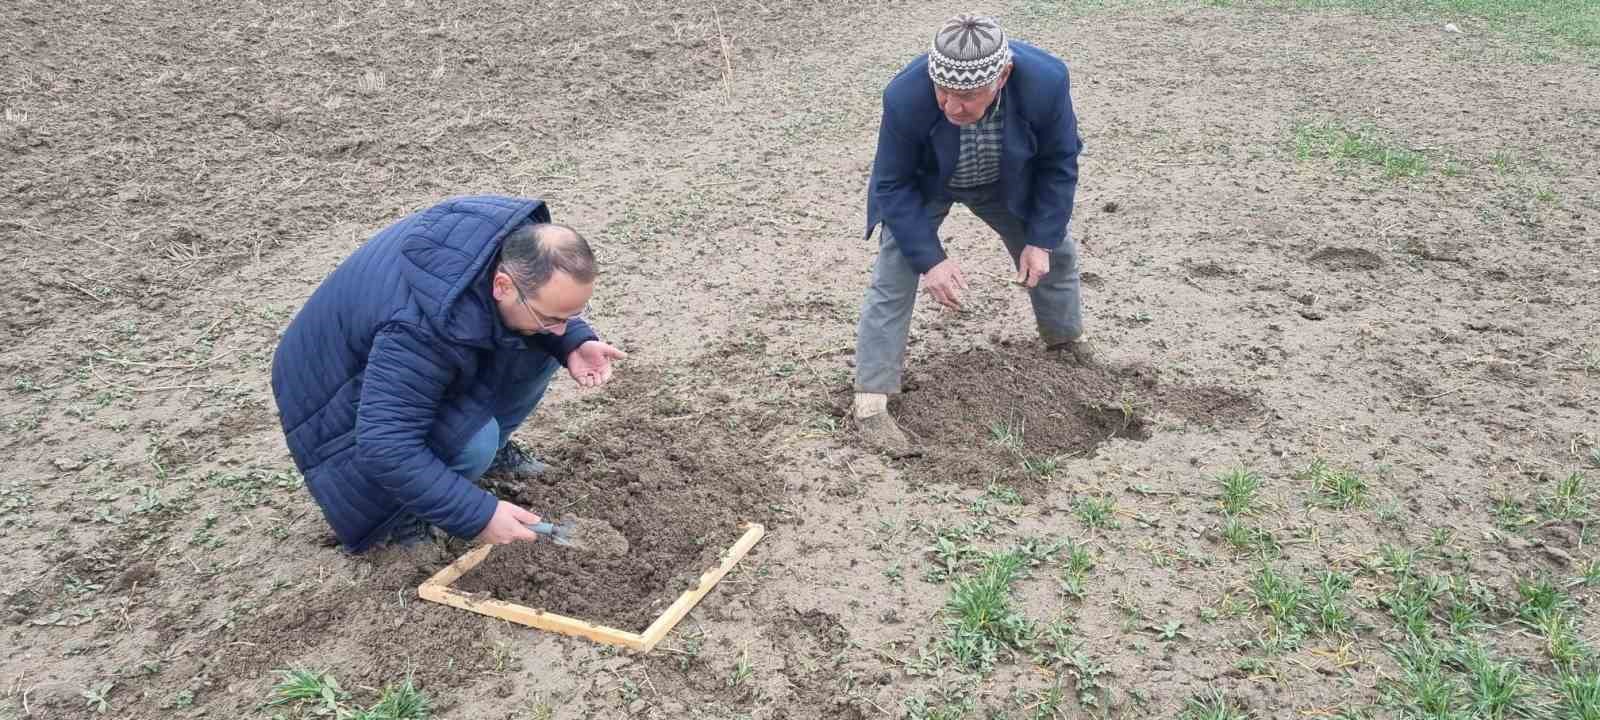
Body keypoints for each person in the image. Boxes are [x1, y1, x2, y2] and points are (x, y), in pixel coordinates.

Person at [269, 195, 626, 553]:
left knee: (541, 345)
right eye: (553, 316)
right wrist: (477, 514)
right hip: (335, 390)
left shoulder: (508, 248)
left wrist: (574, 343)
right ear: (502, 285)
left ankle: (483, 457)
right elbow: (384, 444)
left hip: (397, 355)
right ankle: (403, 511)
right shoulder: (416, 330)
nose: (562, 328)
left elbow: (545, 322)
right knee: (472, 441)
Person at [852, 14, 1092, 456]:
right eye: (942, 91)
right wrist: (931, 261)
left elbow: (1059, 163)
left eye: (966, 96)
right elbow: (892, 183)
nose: (950, 106)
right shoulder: (905, 95)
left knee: (1055, 253)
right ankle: (871, 399)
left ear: (1002, 76)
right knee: (894, 272)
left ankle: (1066, 348)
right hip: (929, 183)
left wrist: (1039, 241)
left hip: (1005, 180)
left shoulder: (1046, 81)